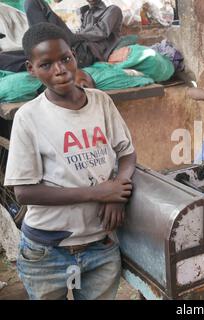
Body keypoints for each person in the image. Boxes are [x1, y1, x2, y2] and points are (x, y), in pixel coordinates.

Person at [4, 22, 136, 300]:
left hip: (101, 244)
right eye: (46, 64)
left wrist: (117, 190)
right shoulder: (28, 117)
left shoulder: (101, 102)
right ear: (31, 69)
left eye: (65, 59)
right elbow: (25, 191)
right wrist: (97, 192)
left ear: (74, 56)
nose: (60, 70)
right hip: (47, 250)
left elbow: (127, 153)